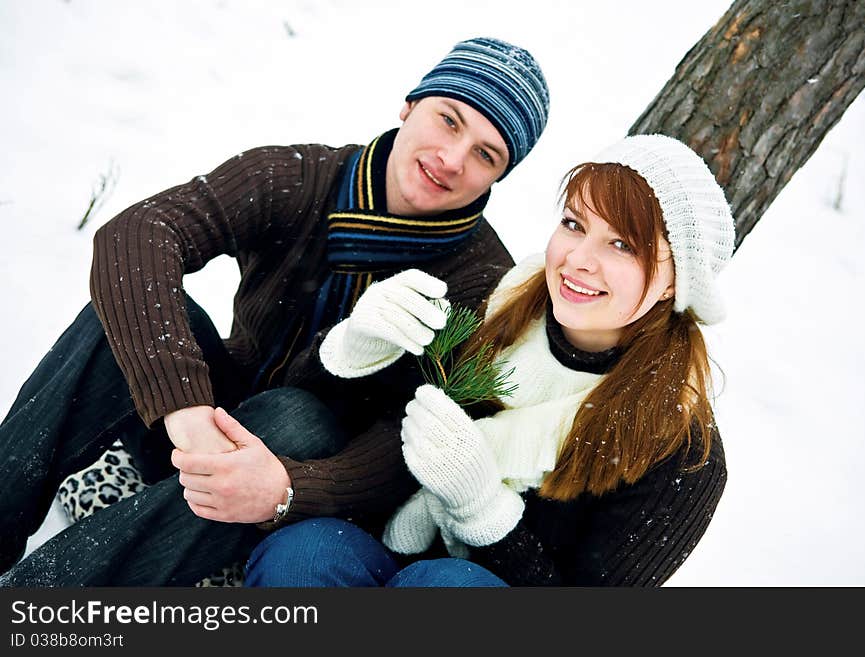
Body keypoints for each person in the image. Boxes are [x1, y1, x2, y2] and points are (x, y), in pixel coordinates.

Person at [0, 37, 550, 586]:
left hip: (305, 483)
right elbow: (140, 234)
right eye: (448, 120)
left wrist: (288, 487)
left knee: (298, 416)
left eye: (486, 154)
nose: (451, 160)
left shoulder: (479, 283)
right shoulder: (303, 177)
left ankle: (39, 600)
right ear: (409, 106)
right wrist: (186, 407)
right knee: (117, 321)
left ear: (498, 177)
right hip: (207, 426)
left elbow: (412, 447)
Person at [243, 134, 734, 587]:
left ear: (675, 282)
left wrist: (485, 513)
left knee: (445, 587)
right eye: (574, 224)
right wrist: (354, 347)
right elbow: (333, 412)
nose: (578, 258)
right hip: (384, 547)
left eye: (622, 245)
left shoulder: (681, 452)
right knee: (304, 554)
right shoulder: (494, 305)